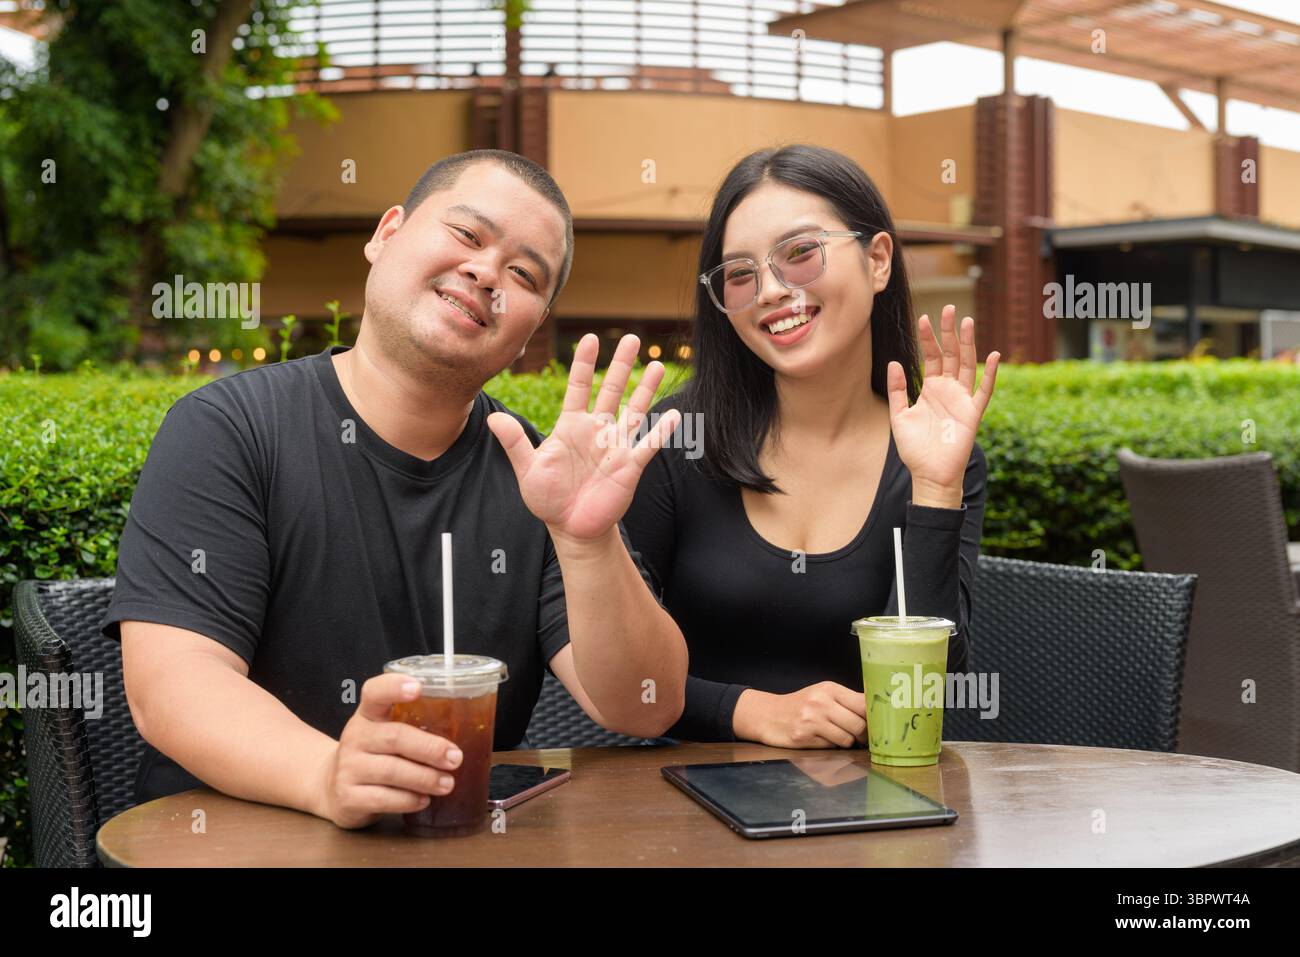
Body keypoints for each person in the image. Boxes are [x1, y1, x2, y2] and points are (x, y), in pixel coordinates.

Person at [103, 149, 687, 829]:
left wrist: (585, 541)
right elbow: (173, 684)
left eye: (525, 273)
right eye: (467, 235)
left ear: (532, 327)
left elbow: (645, 704)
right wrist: (327, 774)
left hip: (451, 846)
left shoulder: (538, 476)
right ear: (386, 234)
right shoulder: (230, 429)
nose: (485, 271)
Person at [622, 144, 1000, 749]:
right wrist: (750, 713)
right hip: (679, 808)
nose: (770, 290)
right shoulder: (673, 438)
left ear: (878, 262)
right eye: (741, 275)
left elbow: (921, 694)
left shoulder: (936, 455)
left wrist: (934, 489)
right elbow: (615, 675)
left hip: (866, 806)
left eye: (800, 254)